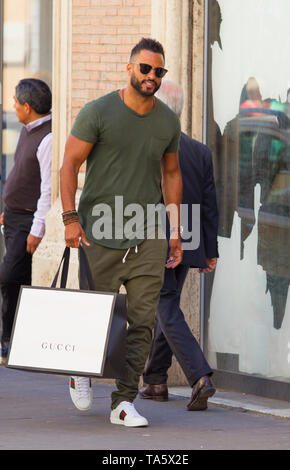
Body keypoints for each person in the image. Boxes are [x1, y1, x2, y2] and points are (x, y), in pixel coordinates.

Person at [60, 38, 183, 427]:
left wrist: (175, 231)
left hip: (148, 234)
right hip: (100, 233)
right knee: (97, 316)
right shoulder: (98, 112)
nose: (151, 76)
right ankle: (81, 371)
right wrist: (69, 218)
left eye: (158, 71)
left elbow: (171, 173)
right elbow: (69, 164)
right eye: (145, 68)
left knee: (143, 319)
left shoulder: (167, 120)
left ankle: (124, 401)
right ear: (129, 68)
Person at [140, 80, 219, 411]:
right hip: (189, 240)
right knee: (166, 306)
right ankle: (156, 379)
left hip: (158, 237)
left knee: (165, 305)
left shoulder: (147, 146)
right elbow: (210, 203)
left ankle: (199, 376)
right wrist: (210, 249)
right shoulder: (200, 150)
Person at [0, 78, 52, 360]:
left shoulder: (47, 137)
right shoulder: (28, 129)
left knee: (8, 277)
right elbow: (22, 172)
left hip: (27, 222)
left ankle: (11, 338)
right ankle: (10, 341)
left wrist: (37, 229)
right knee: (15, 281)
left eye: (16, 103)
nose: (13, 107)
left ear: (28, 107)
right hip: (13, 217)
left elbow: (47, 189)